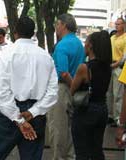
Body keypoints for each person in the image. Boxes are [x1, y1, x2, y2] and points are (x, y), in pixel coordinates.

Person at [0, 16, 58, 160]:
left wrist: (19, 119)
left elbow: (2, 93)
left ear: (15, 32)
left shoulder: (6, 55)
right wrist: (32, 112)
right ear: (33, 33)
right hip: (35, 114)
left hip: (9, 114)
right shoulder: (46, 57)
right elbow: (52, 93)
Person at [47, 13, 85, 160]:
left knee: (57, 128)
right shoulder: (79, 44)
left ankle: (58, 157)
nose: (56, 27)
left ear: (63, 25)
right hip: (73, 89)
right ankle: (70, 156)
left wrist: (71, 87)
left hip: (62, 89)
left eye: (57, 24)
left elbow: (63, 73)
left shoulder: (62, 45)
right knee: (69, 128)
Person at [71, 30, 112, 160]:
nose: (84, 46)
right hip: (102, 109)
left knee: (82, 151)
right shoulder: (108, 67)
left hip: (86, 110)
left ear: (91, 46)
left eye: (86, 43)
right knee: (97, 151)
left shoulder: (84, 68)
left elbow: (72, 89)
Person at [107, 18, 126, 125]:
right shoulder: (112, 38)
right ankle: (110, 115)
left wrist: (114, 65)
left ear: (124, 25)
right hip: (110, 66)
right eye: (116, 24)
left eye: (119, 24)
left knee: (118, 94)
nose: (117, 26)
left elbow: (124, 56)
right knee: (109, 93)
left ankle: (118, 118)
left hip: (118, 68)